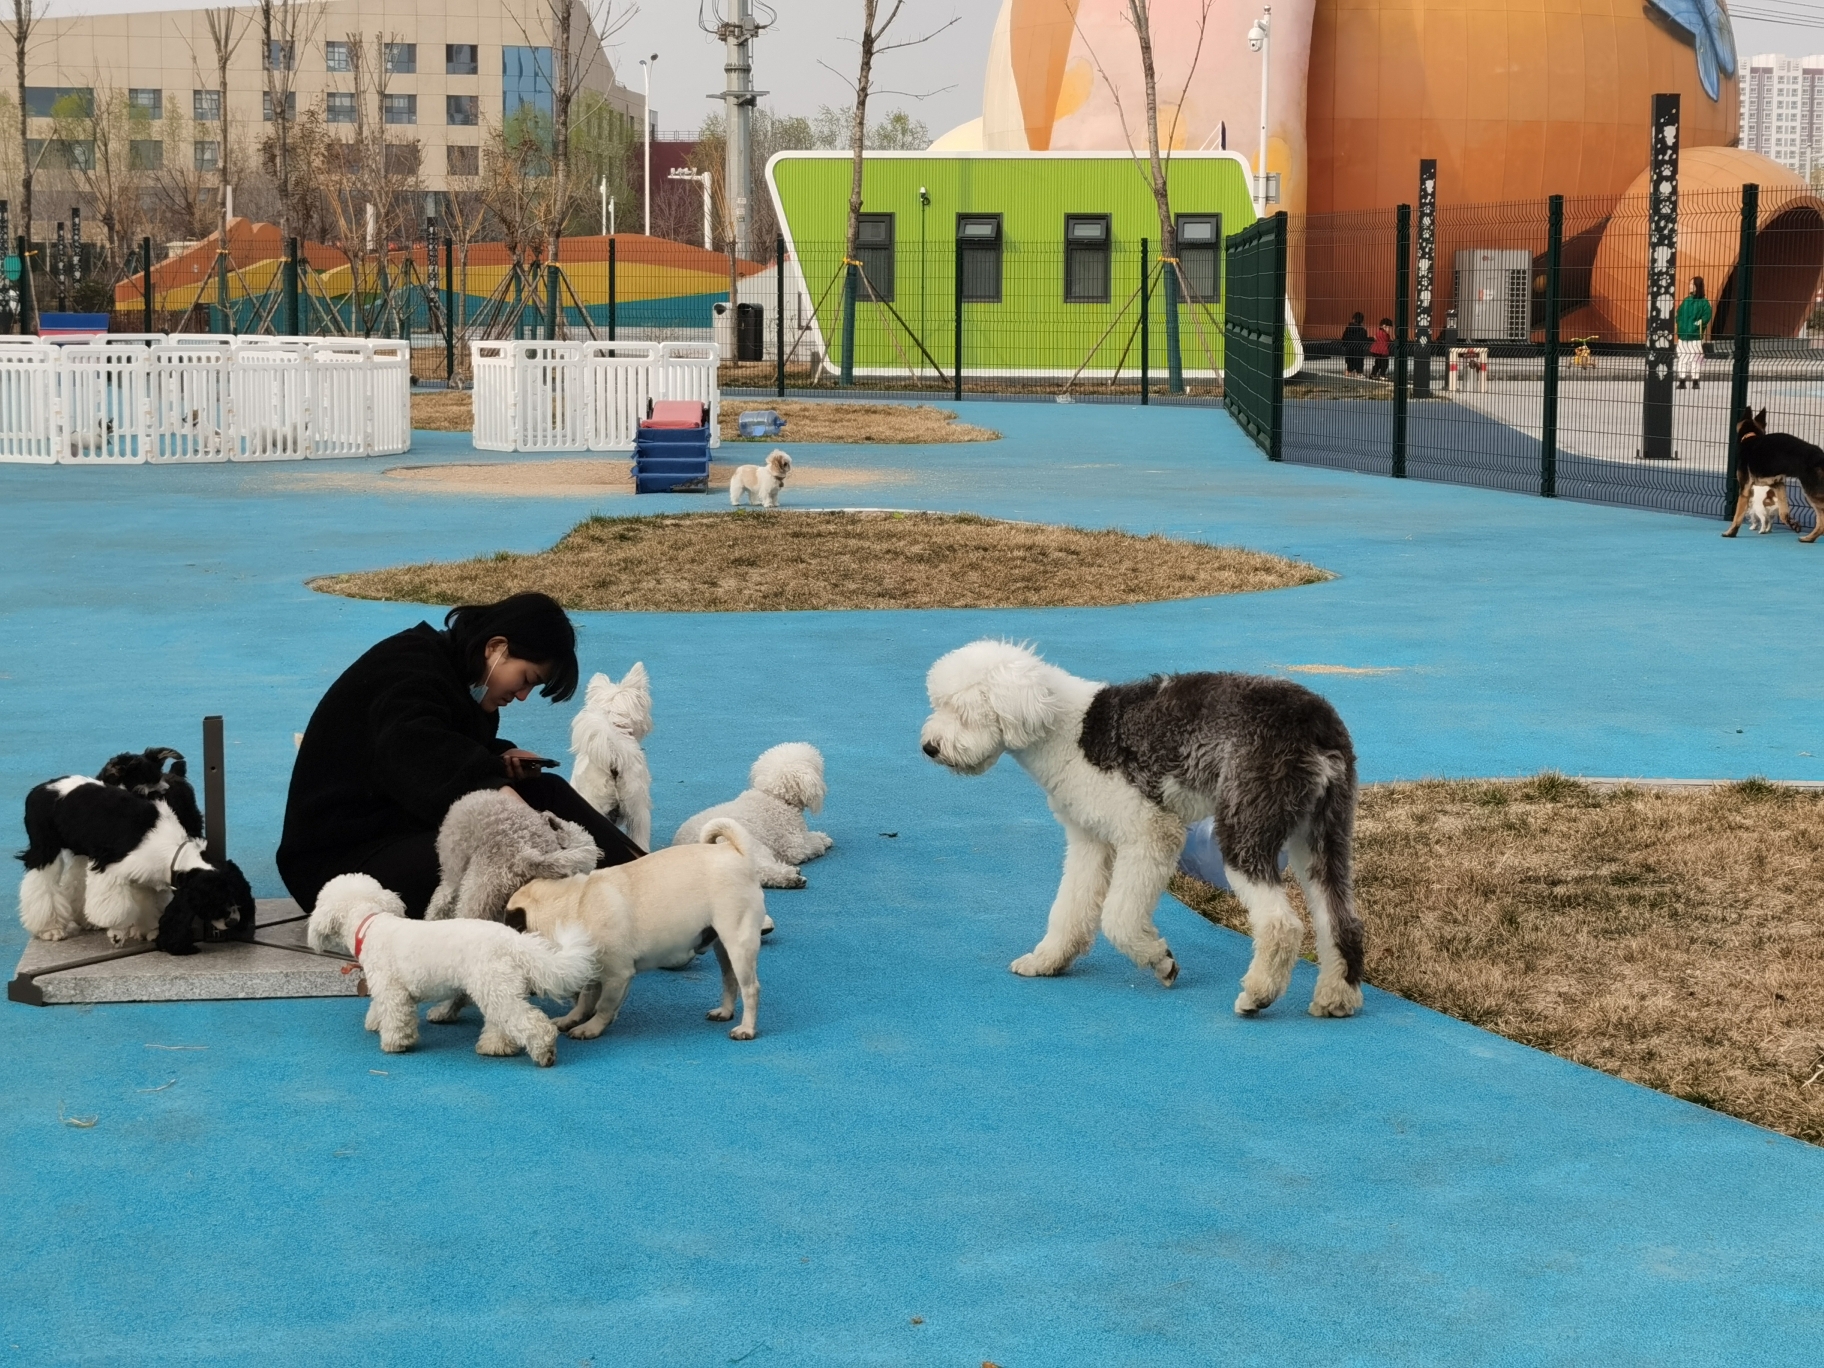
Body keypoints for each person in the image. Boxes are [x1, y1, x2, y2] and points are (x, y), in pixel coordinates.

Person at [277, 592, 643, 918]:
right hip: (339, 862)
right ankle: (603, 913)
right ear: (496, 647)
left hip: (396, 827)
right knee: (503, 847)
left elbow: (441, 747)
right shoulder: (408, 667)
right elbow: (416, 757)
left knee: (547, 792)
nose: (522, 696)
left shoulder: (456, 677)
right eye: (527, 679)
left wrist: (498, 759)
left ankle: (646, 883)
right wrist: (494, 788)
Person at [1675, 276, 1712, 390]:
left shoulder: (1704, 303)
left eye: (1692, 284)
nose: (1690, 286)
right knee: (1684, 358)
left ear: (1697, 286)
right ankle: (1683, 380)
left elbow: (1706, 316)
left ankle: (1694, 380)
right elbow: (1679, 314)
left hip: (1694, 335)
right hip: (1685, 335)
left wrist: (1696, 325)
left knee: (1693, 358)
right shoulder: (1687, 301)